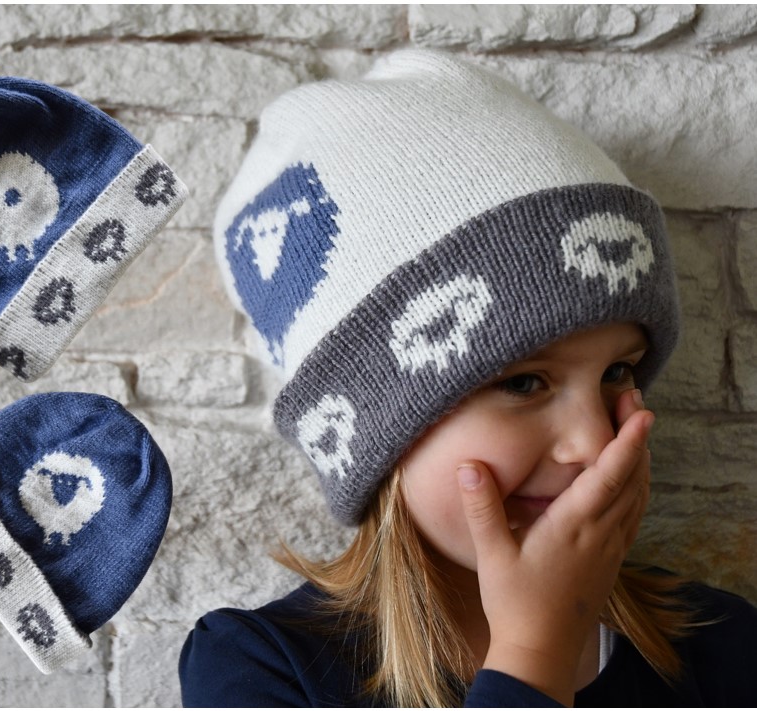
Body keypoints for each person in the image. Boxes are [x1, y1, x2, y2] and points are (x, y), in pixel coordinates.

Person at [179, 49, 757, 707]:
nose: (594, 444)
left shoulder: (721, 644)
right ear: (374, 431)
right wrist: (533, 655)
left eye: (617, 371)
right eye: (524, 383)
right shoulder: (259, 670)